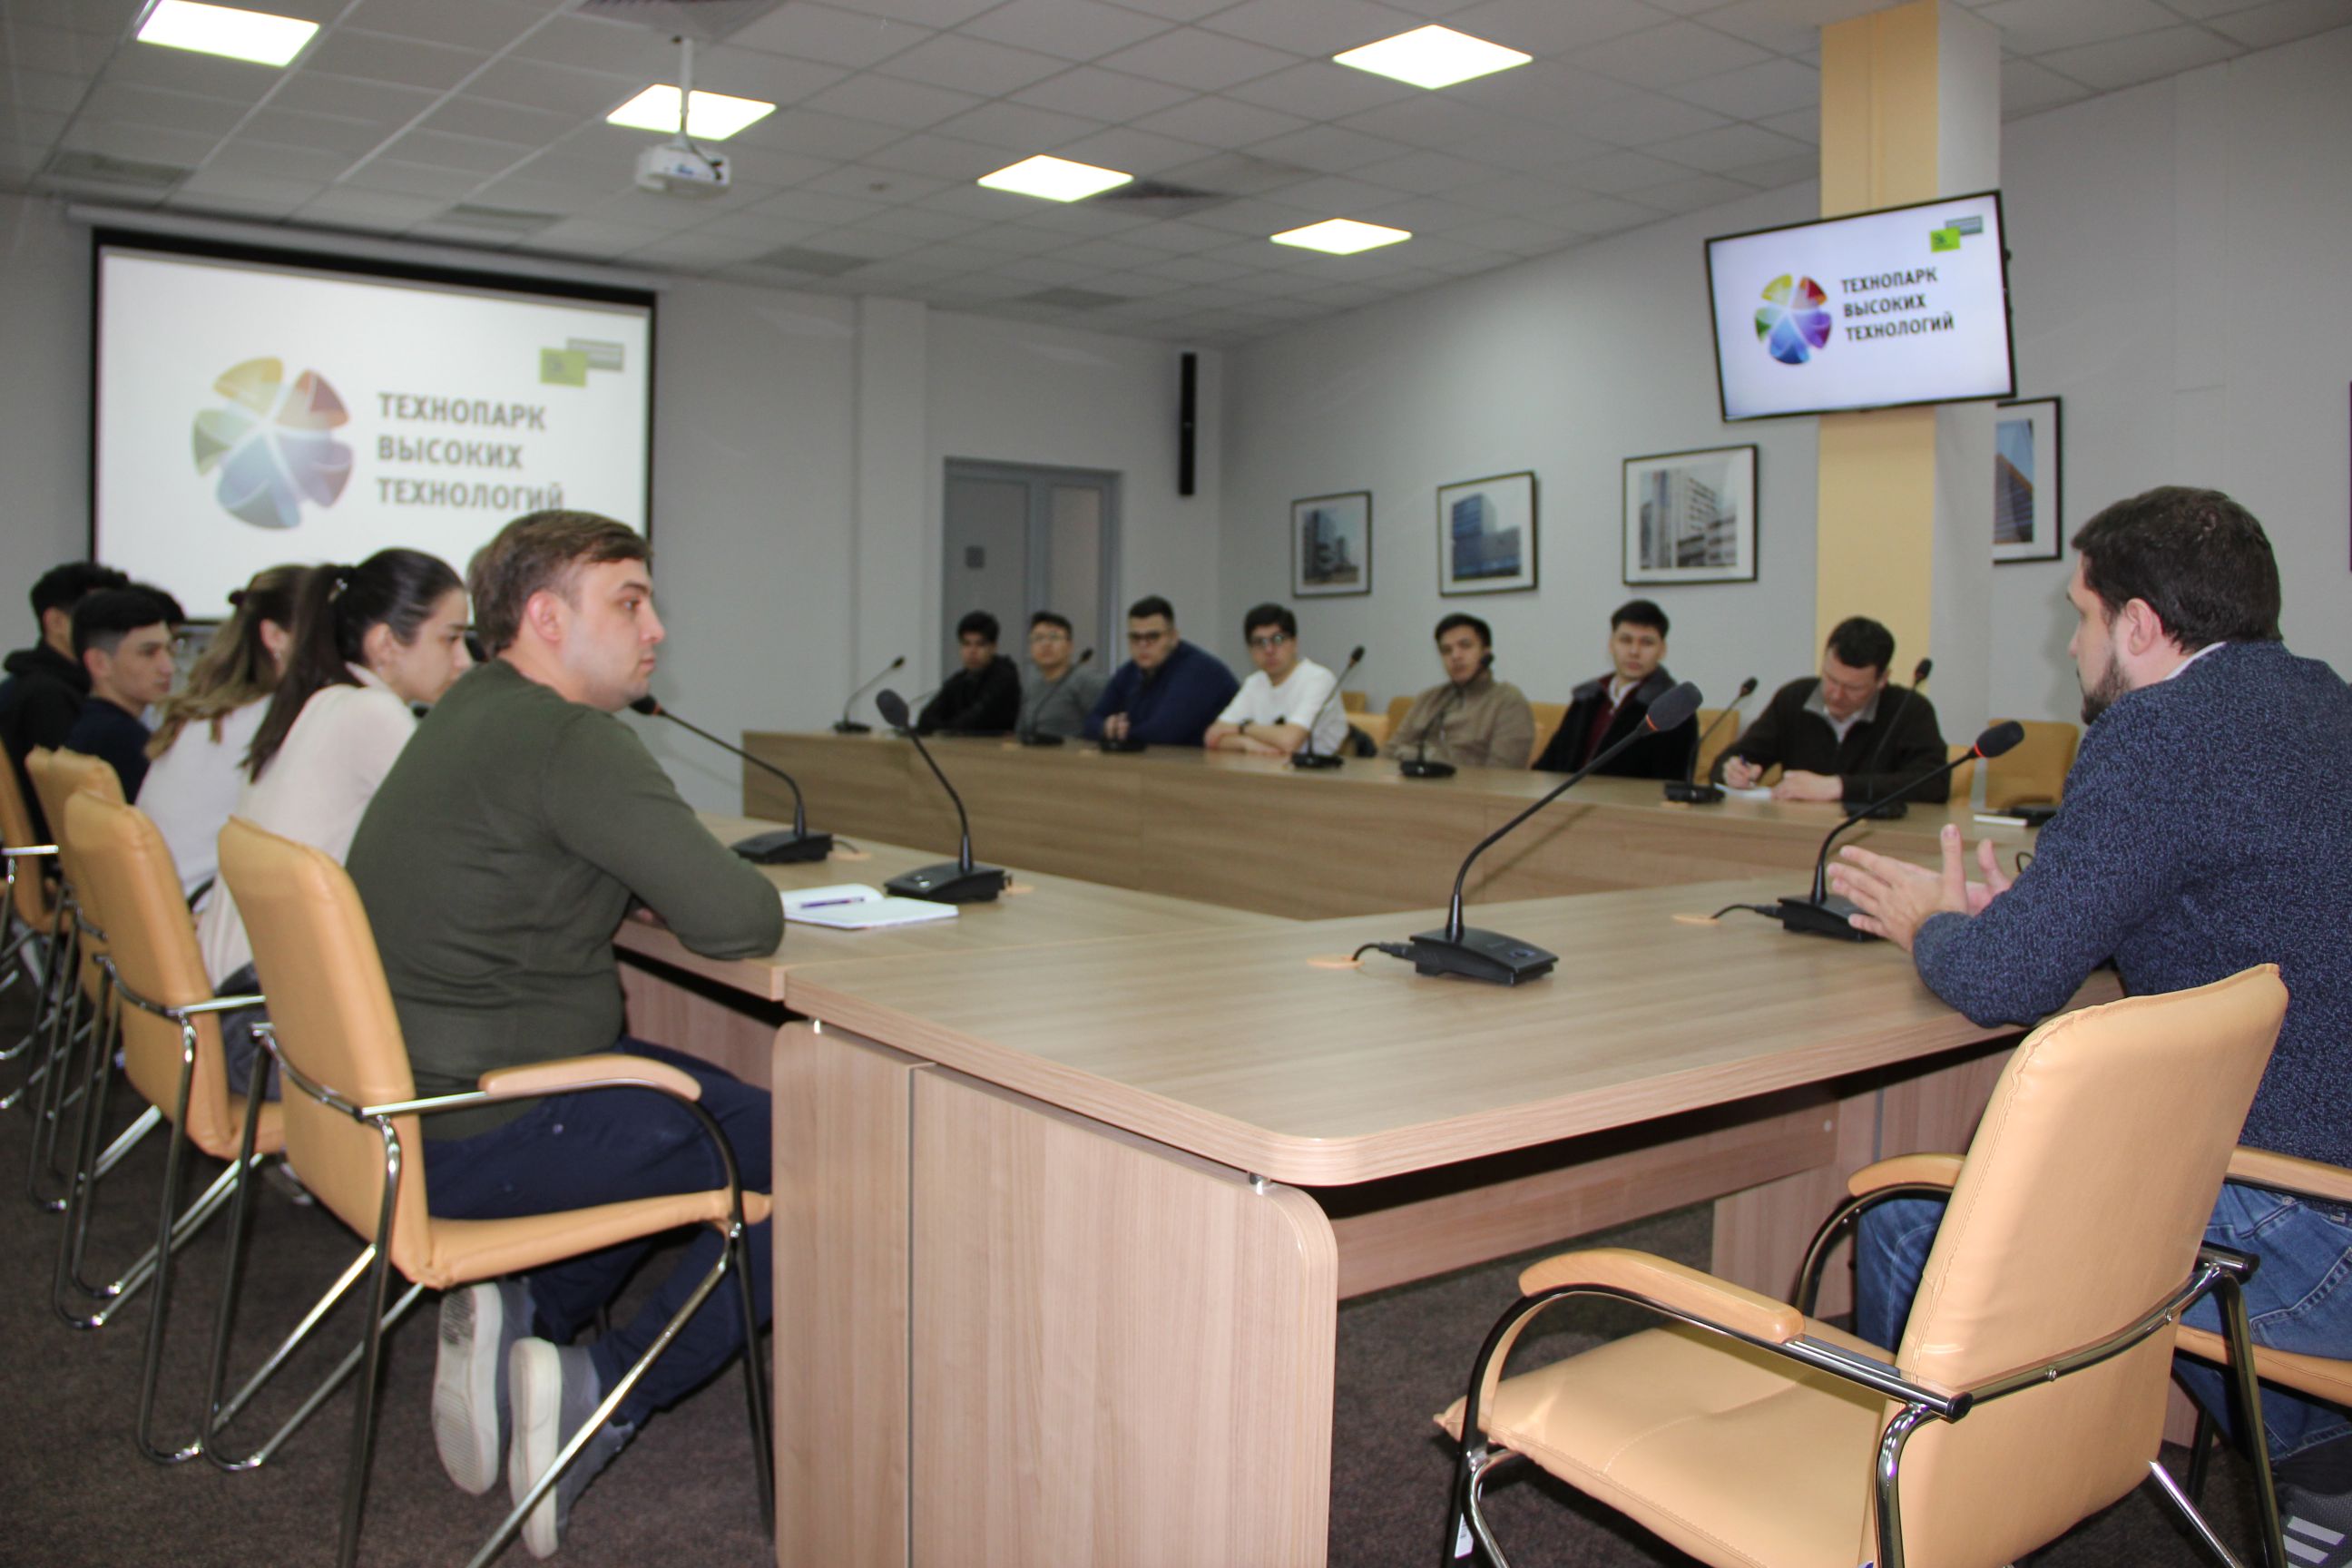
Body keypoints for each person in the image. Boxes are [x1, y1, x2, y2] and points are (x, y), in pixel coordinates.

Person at [1826, 486, 2352, 1553]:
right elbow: (2241, 909)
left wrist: (1934, 926)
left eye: (2081, 615)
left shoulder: (2158, 731)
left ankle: (1923, 1528)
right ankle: (2323, 1479)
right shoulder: (2324, 702)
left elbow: (2004, 986)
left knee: (1910, 1223)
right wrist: (2041, 920)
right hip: (2329, 1194)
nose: (2071, 646)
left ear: (2140, 624)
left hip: (2309, 1235)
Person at [343, 511, 783, 1559]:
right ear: (545, 618)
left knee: (679, 1112)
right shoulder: (573, 740)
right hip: (492, 1123)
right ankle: (606, 1387)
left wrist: (618, 879)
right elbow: (739, 919)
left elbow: (516, 859)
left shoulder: (464, 710)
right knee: (819, 1159)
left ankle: (529, 1315)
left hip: (401, 1112)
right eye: (629, 602)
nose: (656, 628)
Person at [196, 551, 471, 1093]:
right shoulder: (371, 713)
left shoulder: (319, 701)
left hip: (229, 1015)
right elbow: (465, 839)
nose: (464, 661)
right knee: (478, 1065)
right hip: (263, 1031)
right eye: (451, 638)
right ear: (385, 643)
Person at [139, 565, 309, 903]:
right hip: (201, 912)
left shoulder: (214, 711)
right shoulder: (273, 717)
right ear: (275, 637)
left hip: (163, 906)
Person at [1717, 615, 1947, 804]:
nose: (1836, 695)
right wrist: (1734, 771)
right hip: (1798, 830)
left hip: (1877, 837)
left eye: (1853, 688)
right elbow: (1734, 759)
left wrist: (1838, 787)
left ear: (1882, 680)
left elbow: (1933, 784)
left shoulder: (1910, 710)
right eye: (1830, 679)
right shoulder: (1794, 698)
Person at [1, 562, 134, 835]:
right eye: (100, 620)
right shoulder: (47, 698)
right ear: (56, 623)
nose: (113, 635)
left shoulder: (27, 683)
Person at [1534, 599, 1698, 779]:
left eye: (1647, 643)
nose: (1634, 651)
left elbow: (1671, 782)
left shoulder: (1672, 709)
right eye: (1625, 640)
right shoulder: (1587, 697)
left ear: (1662, 650)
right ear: (1611, 644)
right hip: (1567, 795)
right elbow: (1547, 766)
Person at [59, 587, 178, 802]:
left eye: (170, 649)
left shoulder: (90, 727)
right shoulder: (123, 741)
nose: (168, 667)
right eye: (149, 652)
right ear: (99, 663)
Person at [1382, 612, 1536, 770]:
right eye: (1446, 650)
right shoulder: (1428, 698)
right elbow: (1386, 755)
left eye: (1465, 646)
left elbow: (1503, 773)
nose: (1455, 656)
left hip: (1474, 787)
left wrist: (1428, 757)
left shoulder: (1508, 702)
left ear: (1486, 653)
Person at [1084, 595, 1239, 747]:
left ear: (1174, 637)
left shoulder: (1199, 670)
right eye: (1135, 637)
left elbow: (1164, 733)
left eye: (1153, 636)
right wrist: (1105, 727)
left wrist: (1119, 734)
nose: (1143, 645)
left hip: (1218, 760)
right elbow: (1090, 722)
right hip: (1163, 758)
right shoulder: (1129, 671)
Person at [1203, 603, 1346, 758]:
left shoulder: (1318, 679)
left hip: (1317, 769)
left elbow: (1290, 741)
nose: (1269, 650)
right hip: (1268, 767)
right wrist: (1247, 744)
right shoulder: (1255, 682)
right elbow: (1213, 736)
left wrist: (1243, 728)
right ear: (1250, 650)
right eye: (1260, 642)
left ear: (1294, 643)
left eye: (1278, 639)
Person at [915, 609, 1021, 734]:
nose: (972, 651)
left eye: (980, 644)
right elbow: (925, 718)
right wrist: (946, 729)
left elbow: (976, 720)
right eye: (966, 644)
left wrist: (944, 729)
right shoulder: (959, 680)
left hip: (994, 745)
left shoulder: (1004, 677)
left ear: (993, 648)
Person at [1016, 611, 1104, 740]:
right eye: (1038, 638)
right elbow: (1020, 733)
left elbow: (1106, 728)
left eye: (1054, 637)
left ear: (1070, 646)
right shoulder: (1033, 687)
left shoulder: (1088, 681)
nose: (1046, 644)